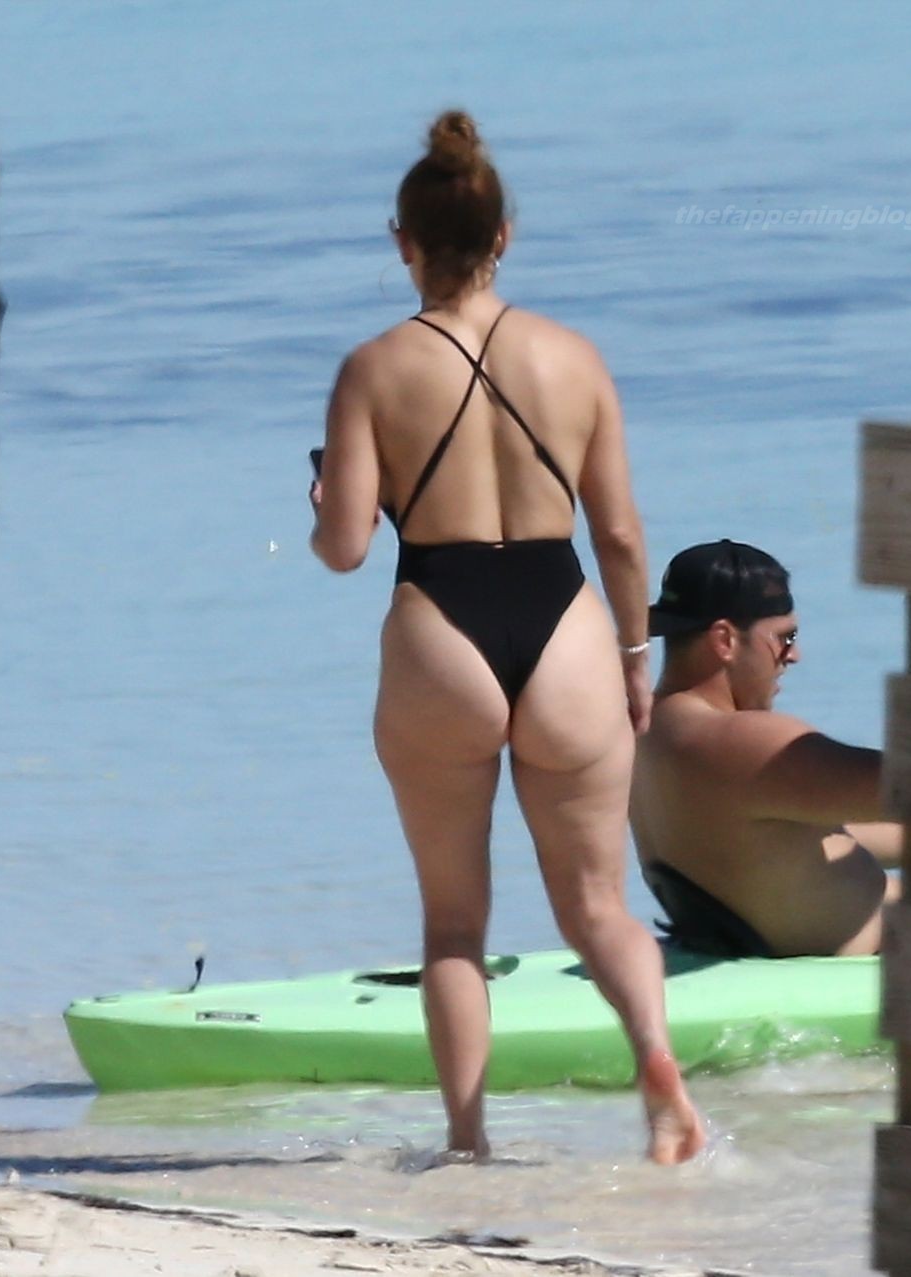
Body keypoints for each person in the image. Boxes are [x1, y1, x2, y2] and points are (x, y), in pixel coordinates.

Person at [307, 110, 703, 1165]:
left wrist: (324, 500)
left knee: (453, 925)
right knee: (600, 906)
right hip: (565, 622)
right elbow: (620, 535)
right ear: (505, 236)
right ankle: (657, 1062)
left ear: (403, 242)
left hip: (441, 625)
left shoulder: (372, 368)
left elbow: (345, 548)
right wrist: (635, 657)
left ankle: (468, 1139)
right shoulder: (574, 358)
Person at [629, 541, 911, 958]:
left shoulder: (648, 733)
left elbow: (791, 841)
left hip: (754, 944)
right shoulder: (742, 742)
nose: (794, 655)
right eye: (785, 637)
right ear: (725, 640)